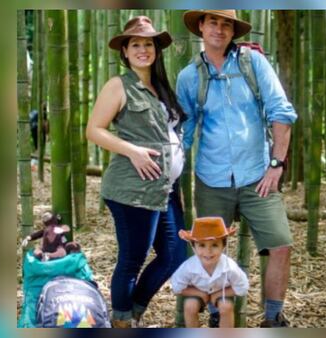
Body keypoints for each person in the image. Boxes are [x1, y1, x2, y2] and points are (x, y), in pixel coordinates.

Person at [176, 10, 298, 327]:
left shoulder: (253, 63)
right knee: (208, 251)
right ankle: (219, 316)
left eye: (226, 23)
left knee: (280, 244)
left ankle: (273, 319)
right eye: (213, 22)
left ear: (233, 31)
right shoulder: (189, 76)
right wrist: (166, 173)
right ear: (200, 26)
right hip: (211, 178)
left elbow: (281, 112)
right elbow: (184, 133)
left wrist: (276, 164)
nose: (219, 29)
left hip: (257, 175)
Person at [85, 16, 187, 328]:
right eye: (136, 45)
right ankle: (122, 321)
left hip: (164, 190)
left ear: (156, 50)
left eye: (148, 44)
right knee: (131, 259)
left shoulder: (160, 88)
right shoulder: (118, 85)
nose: (143, 49)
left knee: (175, 255)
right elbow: (94, 130)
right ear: (125, 52)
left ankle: (132, 313)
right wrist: (133, 151)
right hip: (133, 188)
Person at [170, 217, 249, 328]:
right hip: (197, 291)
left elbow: (242, 287)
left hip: (222, 292)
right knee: (190, 306)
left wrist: (216, 294)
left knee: (226, 307)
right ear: (193, 247)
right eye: (202, 245)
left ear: (223, 246)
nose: (208, 251)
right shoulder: (188, 267)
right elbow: (177, 287)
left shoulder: (229, 267)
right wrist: (200, 294)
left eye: (215, 245)